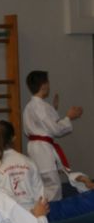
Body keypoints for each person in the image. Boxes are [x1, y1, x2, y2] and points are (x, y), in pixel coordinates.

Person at [22, 70, 88, 201]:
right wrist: (69, 116)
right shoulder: (40, 106)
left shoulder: (30, 106)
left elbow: (43, 125)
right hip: (42, 150)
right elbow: (55, 129)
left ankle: (44, 211)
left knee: (41, 183)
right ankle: (52, 216)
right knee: (53, 185)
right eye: (48, 82)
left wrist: (54, 108)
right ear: (44, 85)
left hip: (36, 148)